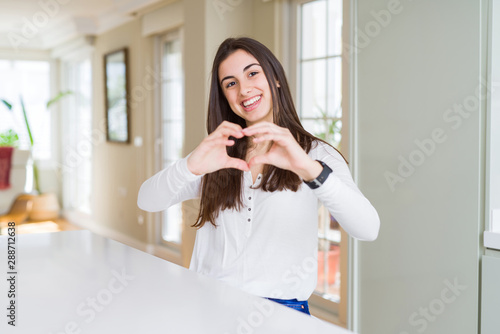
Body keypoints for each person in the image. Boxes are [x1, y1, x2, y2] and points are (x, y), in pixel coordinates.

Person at [137, 37, 380, 315]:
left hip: (281, 314)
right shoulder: (219, 154)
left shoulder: (317, 154)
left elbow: (368, 229)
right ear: (225, 97)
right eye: (230, 83)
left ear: (275, 78)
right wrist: (190, 165)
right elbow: (147, 200)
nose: (243, 89)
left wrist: (307, 169)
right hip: (208, 307)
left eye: (252, 73)